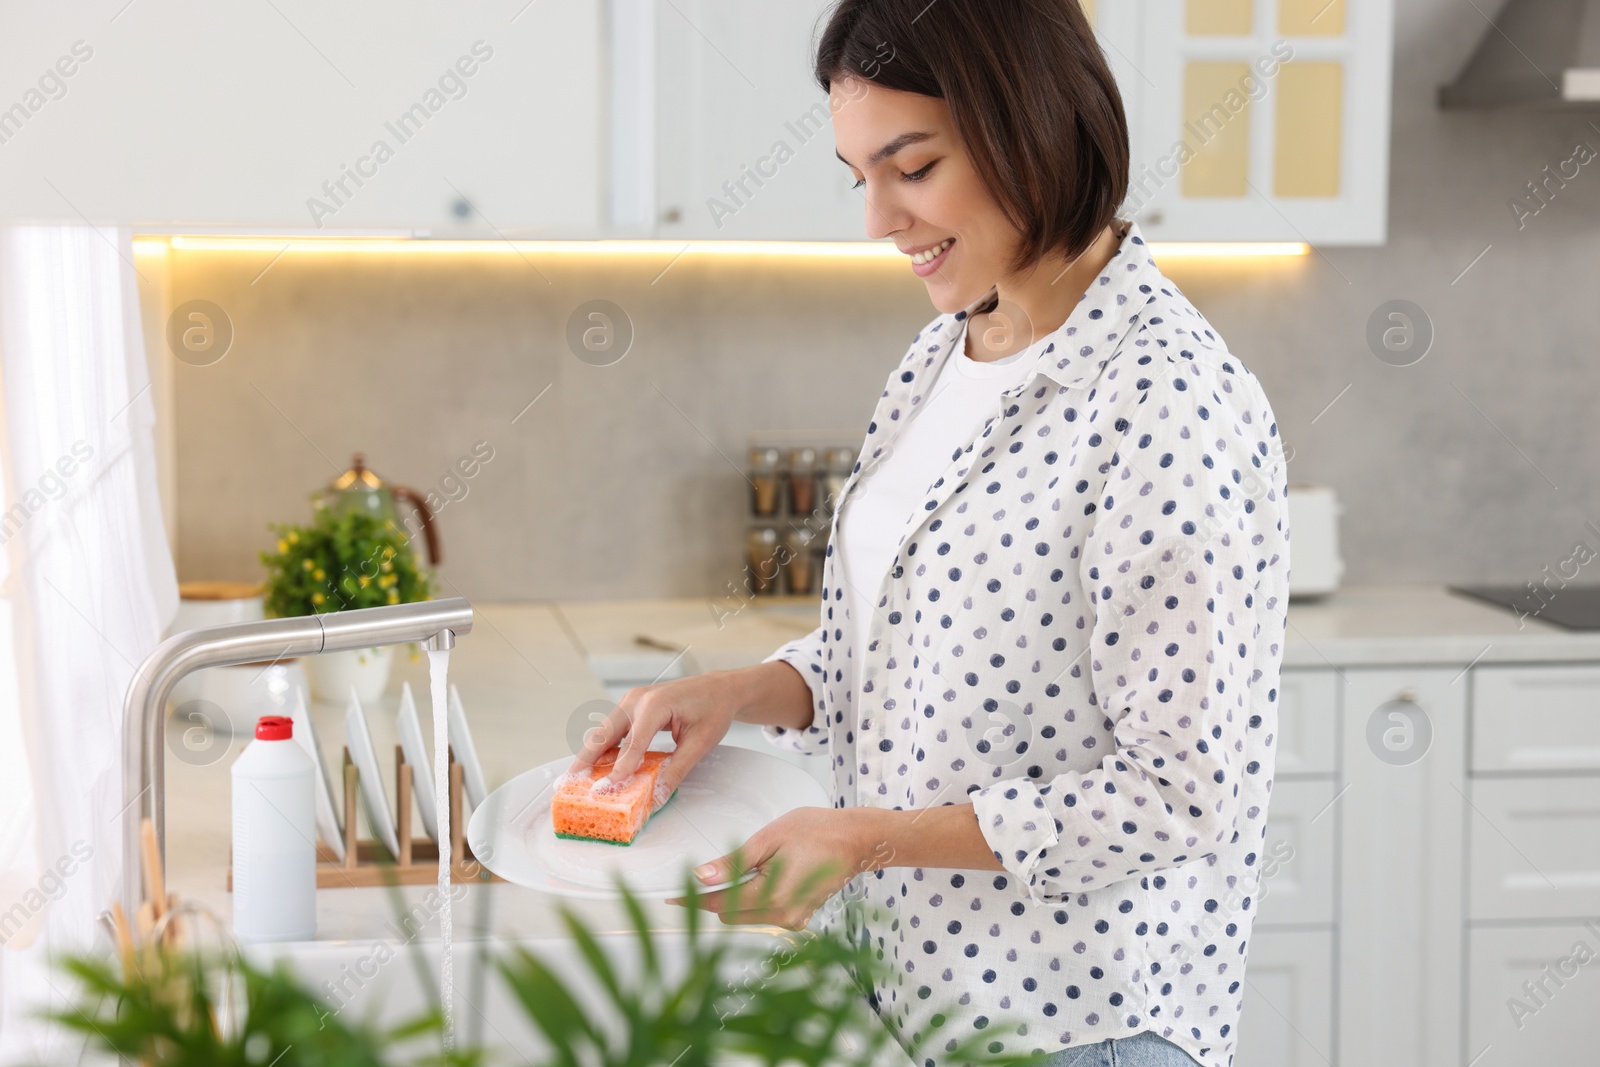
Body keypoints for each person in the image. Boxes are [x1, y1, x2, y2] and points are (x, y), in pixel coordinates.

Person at [568, 2, 1291, 1065]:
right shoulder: (947, 352)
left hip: (1074, 1022)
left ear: (1031, 124)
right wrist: (739, 691)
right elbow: (901, 645)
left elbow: (1179, 792)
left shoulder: (1164, 402)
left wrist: (864, 839)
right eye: (858, 176)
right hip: (920, 1001)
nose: (877, 220)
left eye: (911, 167)